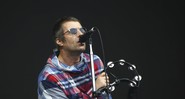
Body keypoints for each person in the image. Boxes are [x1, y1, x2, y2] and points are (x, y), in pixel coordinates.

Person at [37, 16, 112, 99]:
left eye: (82, 30)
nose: (81, 34)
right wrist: (95, 90)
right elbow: (98, 92)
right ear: (59, 41)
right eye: (73, 31)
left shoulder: (94, 61)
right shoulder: (49, 77)